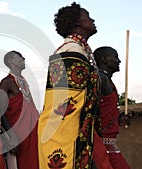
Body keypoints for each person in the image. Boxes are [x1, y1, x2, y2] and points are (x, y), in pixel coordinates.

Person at [37, 2, 112, 169]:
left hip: (76, 132)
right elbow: (66, 106)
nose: (93, 20)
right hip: (65, 135)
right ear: (78, 23)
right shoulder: (72, 51)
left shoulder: (80, 50)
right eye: (88, 17)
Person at [0, 50, 39, 169]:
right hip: (18, 132)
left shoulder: (23, 80)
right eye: (19, 57)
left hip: (32, 129)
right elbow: (0, 111)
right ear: (11, 61)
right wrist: (10, 135)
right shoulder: (6, 83)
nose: (23, 59)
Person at [94, 46, 131, 169]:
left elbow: (103, 111)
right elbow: (92, 109)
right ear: (104, 59)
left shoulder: (107, 81)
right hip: (102, 145)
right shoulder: (101, 79)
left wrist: (118, 119)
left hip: (109, 144)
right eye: (115, 57)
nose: (119, 61)